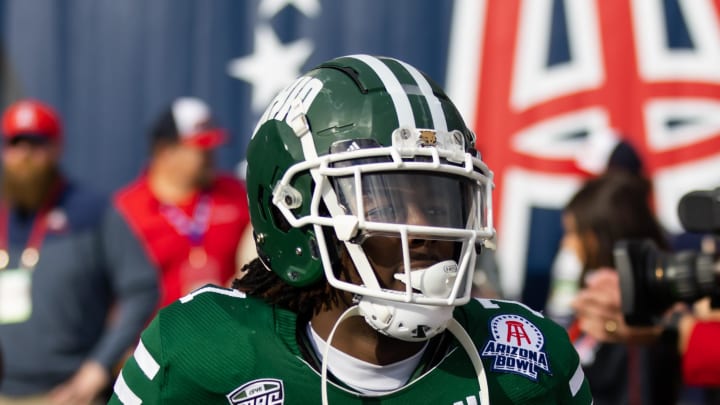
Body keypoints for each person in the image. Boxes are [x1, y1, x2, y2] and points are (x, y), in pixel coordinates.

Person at [109, 55, 591, 404]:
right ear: (291, 215)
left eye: (443, 199)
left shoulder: (526, 363)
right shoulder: (201, 351)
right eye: (385, 199)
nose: (425, 229)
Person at [0, 99, 158, 404]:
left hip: (71, 393)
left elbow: (141, 288)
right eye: (16, 144)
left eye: (37, 143)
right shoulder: (3, 217)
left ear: (57, 148)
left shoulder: (92, 213)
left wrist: (98, 367)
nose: (25, 155)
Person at [114, 97, 252, 308]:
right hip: (155, 337)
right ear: (165, 151)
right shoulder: (127, 211)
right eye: (201, 149)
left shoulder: (237, 195)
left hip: (228, 331)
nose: (210, 156)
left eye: (211, 148)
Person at [560, 171, 681, 404]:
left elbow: (638, 394)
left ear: (596, 237)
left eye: (572, 233)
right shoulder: (603, 299)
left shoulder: (632, 310)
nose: (566, 242)